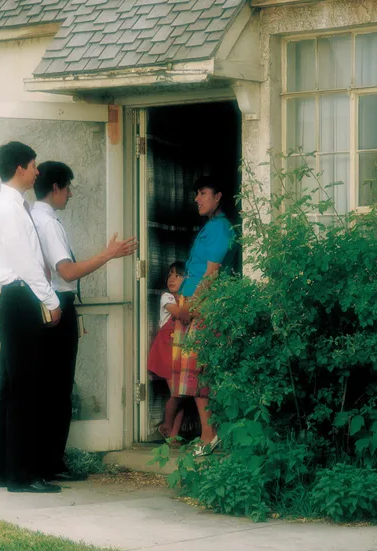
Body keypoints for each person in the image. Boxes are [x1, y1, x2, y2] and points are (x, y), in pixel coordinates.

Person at [31, 161, 138, 481]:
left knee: (50, 386)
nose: (71, 194)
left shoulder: (36, 217)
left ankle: (48, 462)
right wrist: (108, 255)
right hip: (55, 305)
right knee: (58, 387)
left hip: (47, 306)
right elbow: (67, 272)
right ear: (55, 189)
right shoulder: (47, 222)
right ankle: (50, 463)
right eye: (68, 187)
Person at [0, 142, 64, 493]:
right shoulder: (10, 209)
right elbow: (26, 262)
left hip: (15, 298)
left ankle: (4, 468)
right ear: (20, 168)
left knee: (11, 386)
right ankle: (23, 474)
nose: (37, 171)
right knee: (26, 387)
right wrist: (51, 299)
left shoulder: (12, 205)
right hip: (21, 297)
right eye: (34, 165)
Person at [167, 176, 236, 455]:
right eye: (196, 193)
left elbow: (211, 274)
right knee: (194, 373)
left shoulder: (221, 229)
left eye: (203, 193)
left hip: (204, 306)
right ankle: (209, 434)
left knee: (200, 371)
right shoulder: (210, 227)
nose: (197, 198)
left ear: (218, 196)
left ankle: (210, 436)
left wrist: (190, 307)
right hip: (194, 304)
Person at [147, 262, 186, 439]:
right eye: (170, 275)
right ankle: (167, 425)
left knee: (183, 395)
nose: (172, 279)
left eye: (177, 275)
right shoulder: (167, 298)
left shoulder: (187, 299)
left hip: (182, 351)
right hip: (167, 350)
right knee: (177, 393)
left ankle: (173, 436)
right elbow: (180, 314)